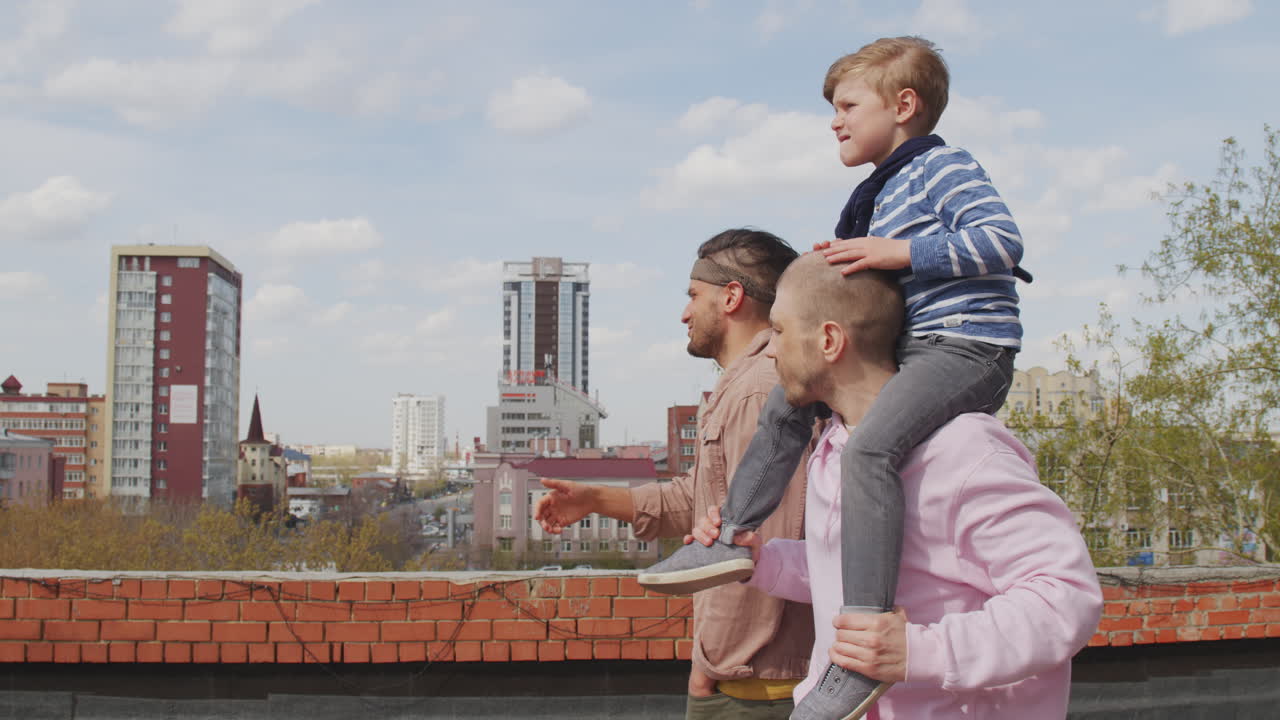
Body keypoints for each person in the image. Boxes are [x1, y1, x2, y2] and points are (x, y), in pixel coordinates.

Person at [639, 36, 1030, 719]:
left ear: (904, 106)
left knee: (871, 451)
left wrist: (894, 251)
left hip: (964, 347)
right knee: (790, 404)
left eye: (848, 105)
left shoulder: (944, 168)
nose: (835, 120)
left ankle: (863, 655)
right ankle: (732, 539)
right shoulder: (874, 192)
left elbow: (1002, 241)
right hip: (913, 345)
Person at [691, 253, 1102, 719]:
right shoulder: (835, 445)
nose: (768, 350)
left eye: (780, 332)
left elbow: (1066, 598)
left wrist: (919, 651)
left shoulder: (962, 450)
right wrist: (759, 561)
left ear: (829, 340)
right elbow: (843, 569)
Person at [535, 229, 813, 720]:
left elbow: (763, 541)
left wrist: (711, 665)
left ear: (732, 297)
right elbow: (700, 501)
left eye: (692, 296)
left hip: (756, 686)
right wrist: (594, 499)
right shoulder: (744, 386)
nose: (684, 314)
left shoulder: (757, 391)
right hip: (746, 679)